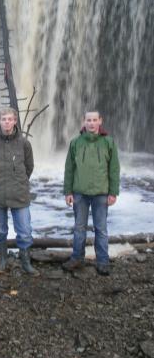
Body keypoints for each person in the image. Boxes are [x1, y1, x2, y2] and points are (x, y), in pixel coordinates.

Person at [63, 110, 120, 276]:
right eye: (89, 120)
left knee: (101, 229)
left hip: (101, 193)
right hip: (79, 193)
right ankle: (77, 258)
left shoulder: (109, 142)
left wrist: (113, 192)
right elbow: (69, 169)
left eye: (95, 120)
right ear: (84, 122)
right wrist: (68, 191)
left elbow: (114, 169)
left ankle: (102, 261)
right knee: (79, 228)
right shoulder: (75, 143)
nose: (92, 123)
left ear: (100, 121)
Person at [0, 107, 37, 275]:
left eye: (10, 119)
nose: (7, 122)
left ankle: (25, 261)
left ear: (15, 121)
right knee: (0, 231)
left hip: (19, 194)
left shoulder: (24, 143)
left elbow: (29, 167)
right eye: (4, 119)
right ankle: (3, 259)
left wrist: (20, 182)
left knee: (25, 231)